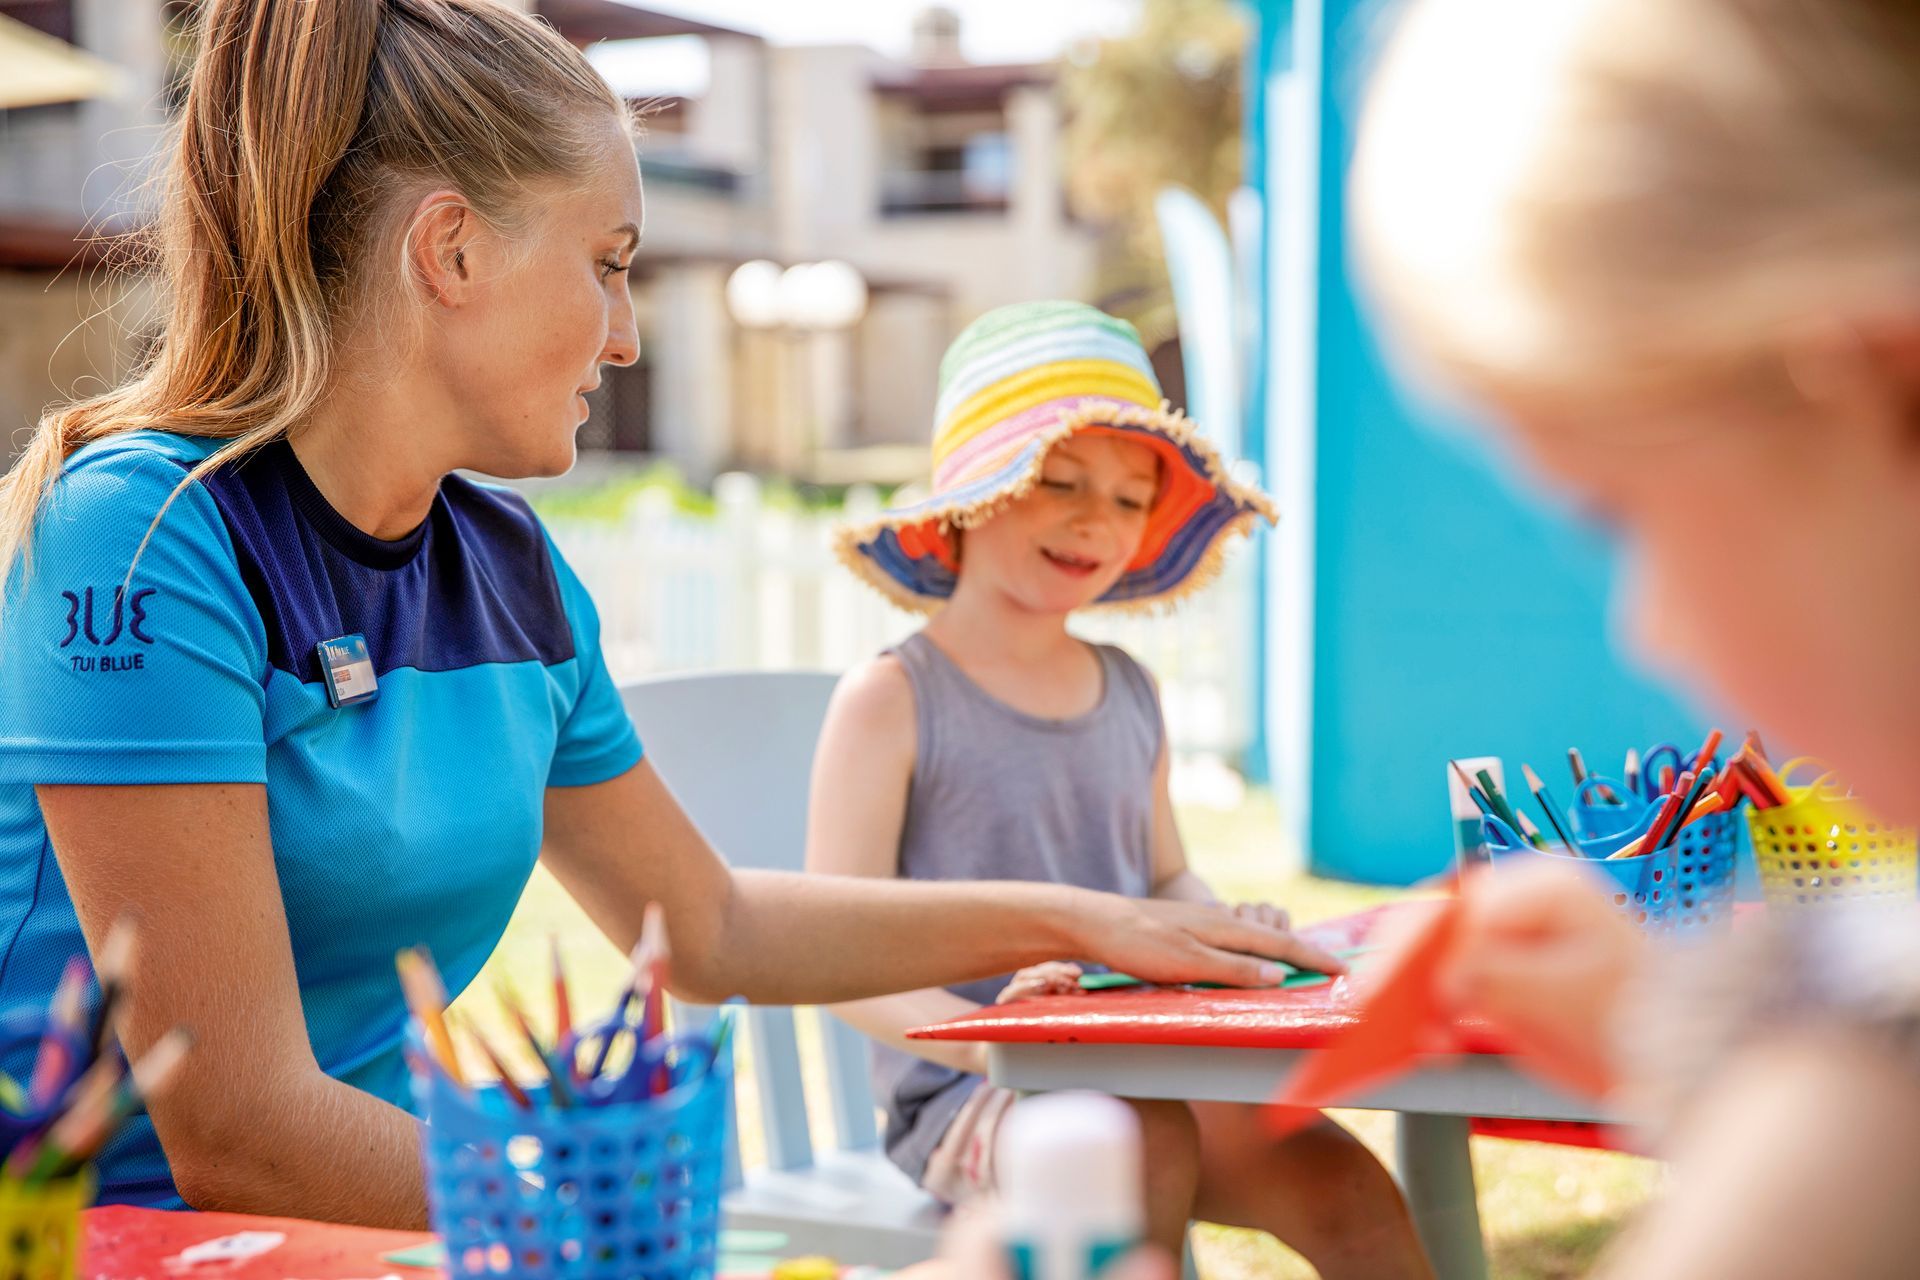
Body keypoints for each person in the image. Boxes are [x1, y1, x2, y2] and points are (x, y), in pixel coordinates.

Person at [0, 0, 1329, 1223]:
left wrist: (1084, 918)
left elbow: (709, 930)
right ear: (451, 250)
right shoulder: (140, 539)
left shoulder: (508, 570)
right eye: (611, 263)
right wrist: (614, 1221)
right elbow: (237, 1133)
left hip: (377, 1230)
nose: (625, 334)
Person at [1349, 0, 1920, 1275]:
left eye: (1621, 518)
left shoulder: (1872, 1098)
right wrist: (1675, 1032)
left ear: (1893, 392)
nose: (1646, 625)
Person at [809, 301, 1435, 1278]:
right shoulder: (892, 698)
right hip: (975, 1093)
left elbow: (1167, 873)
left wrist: (1220, 922)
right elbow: (834, 955)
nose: (1095, 517)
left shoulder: (1130, 691)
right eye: (1057, 479)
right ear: (975, 492)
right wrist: (989, 1040)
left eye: (1131, 498)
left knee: (1349, 1188)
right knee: (1138, 1141)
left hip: (1146, 1056)